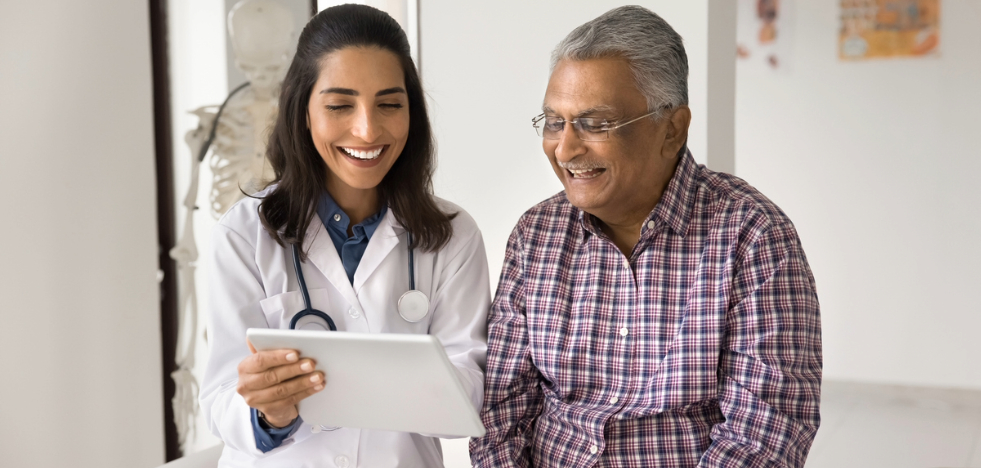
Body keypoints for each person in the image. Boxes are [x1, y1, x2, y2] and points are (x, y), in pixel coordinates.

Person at [470, 6, 821, 467]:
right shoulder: (536, 235)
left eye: (596, 123)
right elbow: (502, 409)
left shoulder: (752, 236)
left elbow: (766, 430)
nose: (566, 148)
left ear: (672, 129)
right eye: (555, 122)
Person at [199, 5, 489, 467]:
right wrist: (270, 413)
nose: (367, 129)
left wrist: (361, 384)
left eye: (390, 104)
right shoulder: (244, 234)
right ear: (303, 111)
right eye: (339, 105)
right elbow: (220, 397)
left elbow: (467, 392)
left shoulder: (452, 235)